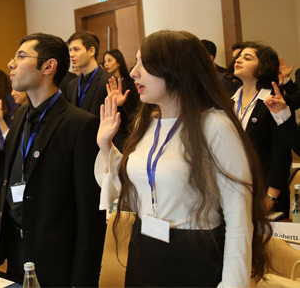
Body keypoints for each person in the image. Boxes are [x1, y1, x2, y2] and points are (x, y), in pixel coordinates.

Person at [96, 30, 270, 287]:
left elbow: (238, 215)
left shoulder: (215, 125)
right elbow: (133, 195)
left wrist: (234, 283)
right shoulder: (146, 126)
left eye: (145, 63)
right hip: (144, 252)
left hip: (194, 258)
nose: (133, 72)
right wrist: (105, 146)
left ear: (176, 69)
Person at [0, 33, 104, 286]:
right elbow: (6, 178)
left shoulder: (80, 124)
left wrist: (82, 281)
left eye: (21, 57)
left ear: (48, 66)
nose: (11, 63)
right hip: (16, 248)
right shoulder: (21, 115)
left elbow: (90, 217)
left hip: (55, 258)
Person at [230, 41, 292, 217]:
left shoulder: (273, 103)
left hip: (264, 193)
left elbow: (281, 155)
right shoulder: (229, 102)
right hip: (234, 190)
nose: (238, 60)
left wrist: (270, 197)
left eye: (247, 58)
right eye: (238, 56)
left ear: (263, 67)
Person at [103, 49, 140, 115]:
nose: (106, 64)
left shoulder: (128, 84)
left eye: (109, 61)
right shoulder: (107, 83)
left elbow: (134, 108)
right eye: (105, 61)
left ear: (118, 63)